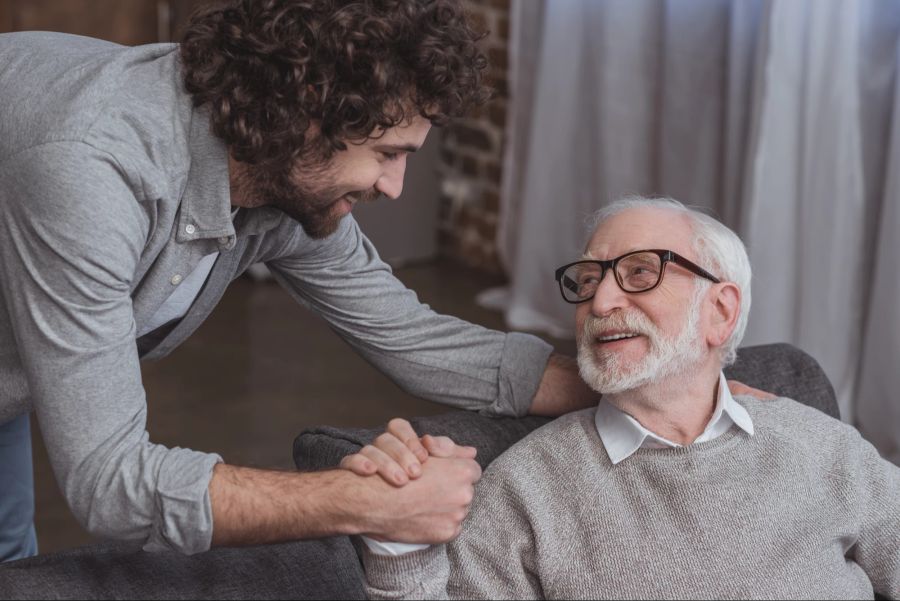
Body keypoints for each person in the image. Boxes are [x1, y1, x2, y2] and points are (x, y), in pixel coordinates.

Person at [0, 0, 603, 561]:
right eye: (389, 153)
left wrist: (613, 383)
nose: (393, 187)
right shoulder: (93, 171)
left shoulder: (280, 175)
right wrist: (363, 502)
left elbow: (408, 334)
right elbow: (113, 486)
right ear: (304, 116)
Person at [357, 197, 900, 600]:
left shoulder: (823, 447)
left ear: (722, 312)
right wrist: (400, 546)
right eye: (589, 280)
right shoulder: (527, 488)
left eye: (641, 271)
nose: (601, 300)